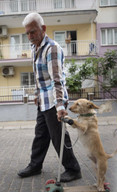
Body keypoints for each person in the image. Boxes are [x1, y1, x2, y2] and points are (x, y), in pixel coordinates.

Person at [18, 12, 82, 182]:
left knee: (58, 136)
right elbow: (39, 76)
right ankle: (35, 165)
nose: (30, 36)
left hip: (54, 101)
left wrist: (60, 107)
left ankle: (73, 169)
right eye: (28, 33)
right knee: (40, 134)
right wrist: (37, 94)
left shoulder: (52, 48)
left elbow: (57, 80)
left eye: (33, 32)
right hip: (43, 101)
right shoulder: (35, 48)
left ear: (43, 28)